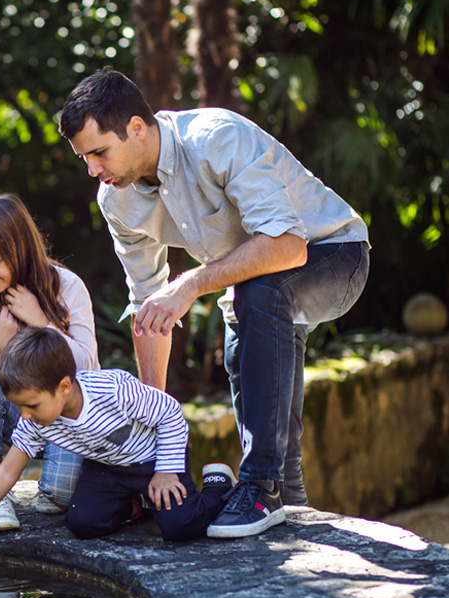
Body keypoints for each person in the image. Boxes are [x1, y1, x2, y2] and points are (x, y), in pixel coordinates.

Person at [56, 68, 370, 539]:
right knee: (246, 350)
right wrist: (150, 427)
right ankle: (289, 509)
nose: (93, 170)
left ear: (136, 128)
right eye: (85, 158)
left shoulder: (216, 138)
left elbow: (288, 245)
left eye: (100, 153)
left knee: (258, 296)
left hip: (335, 254)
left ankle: (259, 484)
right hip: (255, 288)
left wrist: (188, 285)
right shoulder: (116, 201)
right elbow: (148, 308)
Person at [0, 327, 236, 562]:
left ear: (63, 387)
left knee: (180, 525)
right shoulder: (35, 420)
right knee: (83, 523)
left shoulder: (113, 390)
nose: (25, 416)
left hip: (154, 460)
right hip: (108, 467)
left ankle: (218, 484)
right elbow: (8, 471)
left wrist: (166, 471)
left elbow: (170, 412)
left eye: (31, 405)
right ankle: (133, 504)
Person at [0, 192, 101, 533]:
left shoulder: (67, 286)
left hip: (67, 416)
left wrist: (41, 322)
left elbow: (87, 366)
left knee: (59, 498)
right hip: (22, 414)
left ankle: (57, 482)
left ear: (19, 249)